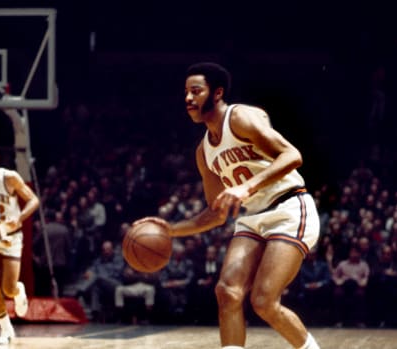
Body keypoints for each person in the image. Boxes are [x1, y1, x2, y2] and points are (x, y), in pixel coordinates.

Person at [134, 62, 320, 349]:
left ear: (217, 93)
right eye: (185, 92)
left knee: (264, 302)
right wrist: (169, 229)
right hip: (252, 218)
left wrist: (246, 186)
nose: (188, 98)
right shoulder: (203, 151)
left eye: (196, 91)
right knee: (227, 292)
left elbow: (292, 155)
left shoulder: (241, 117)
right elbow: (215, 214)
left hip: (289, 208)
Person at [0, 143, 39, 345]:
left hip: (12, 236)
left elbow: (33, 200)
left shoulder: (9, 177)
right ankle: (5, 329)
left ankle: (18, 290)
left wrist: (19, 218)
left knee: (8, 289)